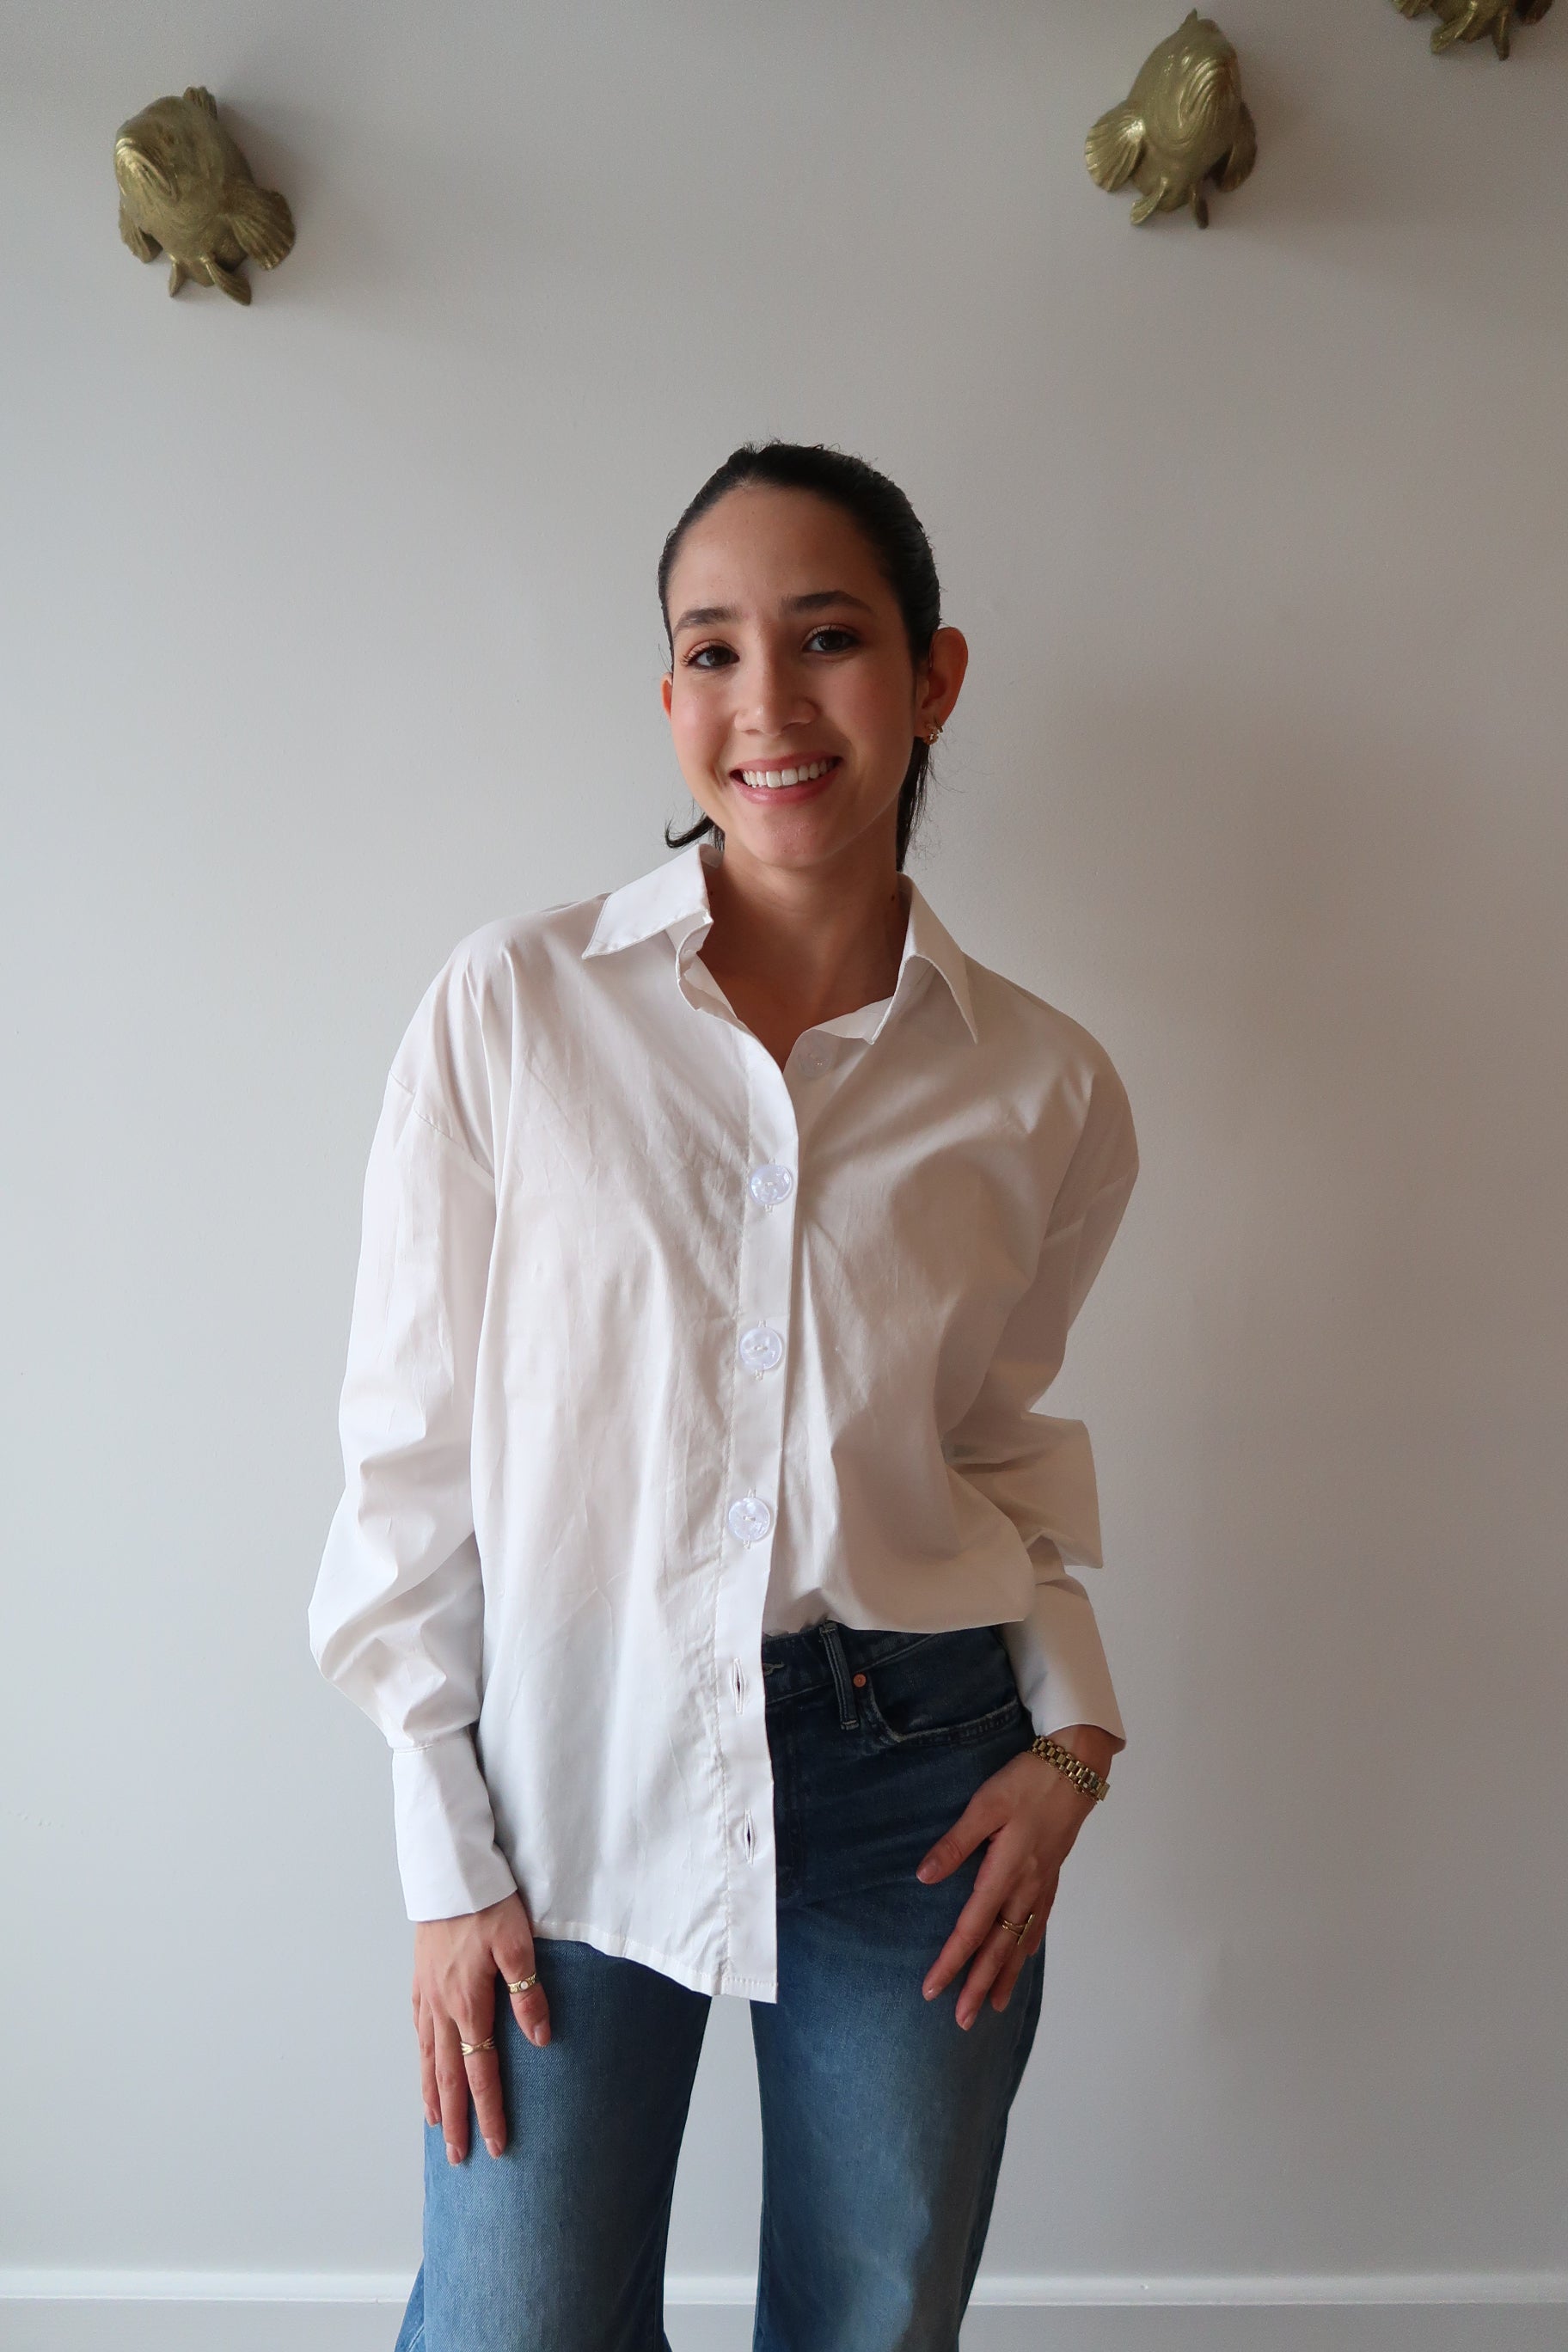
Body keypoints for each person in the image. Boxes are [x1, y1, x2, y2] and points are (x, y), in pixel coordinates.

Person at [309, 438, 1138, 2352]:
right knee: (514, 2322)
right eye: (711, 649)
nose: (767, 701)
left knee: (875, 2318)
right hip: (570, 1758)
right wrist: (449, 1858)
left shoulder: (1045, 1088)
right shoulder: (514, 1010)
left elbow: (994, 1448)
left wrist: (1075, 1738)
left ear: (932, 678)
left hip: (915, 1771)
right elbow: (406, 1460)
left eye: (827, 638)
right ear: (669, 696)